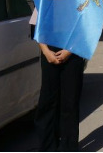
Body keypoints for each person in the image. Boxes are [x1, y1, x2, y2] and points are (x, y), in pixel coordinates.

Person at [33, 24, 84, 152]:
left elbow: (86, 26)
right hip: (49, 54)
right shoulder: (44, 7)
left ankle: (69, 147)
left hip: (73, 54)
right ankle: (47, 146)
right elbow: (37, 28)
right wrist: (46, 51)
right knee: (47, 101)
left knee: (70, 102)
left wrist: (69, 50)